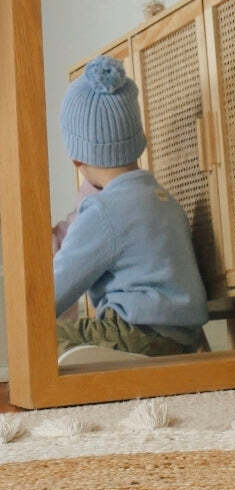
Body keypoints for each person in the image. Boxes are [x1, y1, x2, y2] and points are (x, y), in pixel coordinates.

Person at [54, 55, 209, 357]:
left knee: (28, 339)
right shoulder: (164, 201)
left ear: (76, 158)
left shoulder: (102, 211)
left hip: (134, 334)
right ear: (138, 141)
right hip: (184, 340)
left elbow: (53, 292)